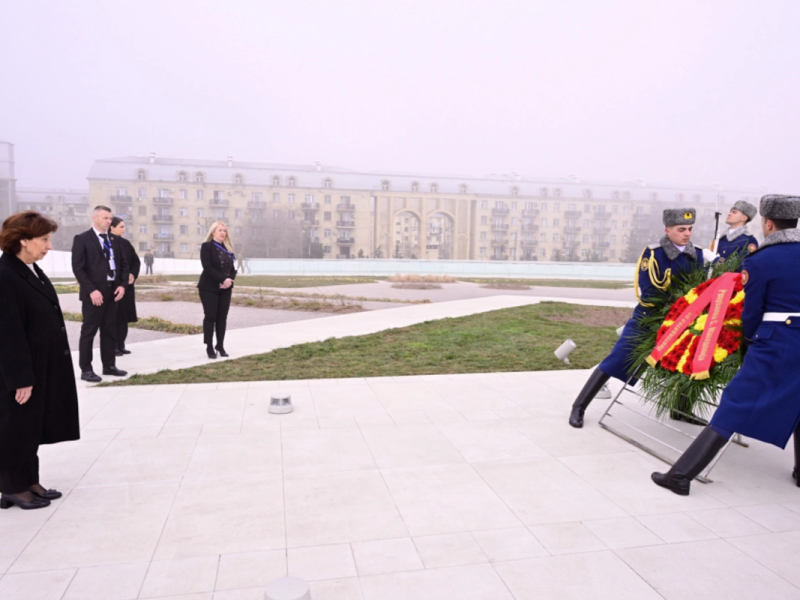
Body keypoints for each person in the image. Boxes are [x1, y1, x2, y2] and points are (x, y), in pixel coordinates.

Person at [652, 194, 800, 495]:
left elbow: (752, 311)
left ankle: (681, 476)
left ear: (768, 223)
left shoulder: (761, 259)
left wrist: (748, 342)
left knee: (734, 404)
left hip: (777, 340)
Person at [569, 208, 705, 428]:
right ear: (668, 230)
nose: (687, 234)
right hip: (649, 318)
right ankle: (579, 406)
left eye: (690, 229)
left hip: (683, 321)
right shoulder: (654, 254)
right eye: (681, 229)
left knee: (689, 360)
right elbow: (649, 292)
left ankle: (681, 409)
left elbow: (699, 289)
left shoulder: (697, 254)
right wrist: (679, 304)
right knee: (617, 359)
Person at [0, 212, 80, 510]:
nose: (49, 246)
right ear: (23, 240)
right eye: (44, 239)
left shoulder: (29, 269)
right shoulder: (5, 275)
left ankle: (29, 481)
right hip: (21, 369)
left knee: (30, 425)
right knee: (14, 426)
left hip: (40, 364)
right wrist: (20, 377)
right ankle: (11, 487)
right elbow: (7, 331)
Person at [71, 206, 130, 382]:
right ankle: (86, 369)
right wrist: (91, 290)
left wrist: (122, 285)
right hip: (94, 294)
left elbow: (124, 265)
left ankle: (109, 366)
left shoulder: (115, 240)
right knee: (89, 331)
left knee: (109, 330)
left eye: (110, 218)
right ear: (94, 218)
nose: (108, 221)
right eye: (105, 218)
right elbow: (78, 268)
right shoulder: (82, 239)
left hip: (113, 292)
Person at [198, 221, 237, 359]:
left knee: (222, 317)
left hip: (225, 288)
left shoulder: (228, 248)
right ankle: (209, 346)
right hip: (208, 287)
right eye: (220, 230)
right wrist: (222, 279)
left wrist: (229, 281)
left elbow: (233, 269)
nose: (222, 233)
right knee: (210, 317)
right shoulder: (206, 246)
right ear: (213, 232)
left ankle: (220, 345)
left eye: (224, 231)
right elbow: (207, 267)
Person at [109, 217, 140, 356]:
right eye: (121, 227)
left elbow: (135, 261)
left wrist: (132, 274)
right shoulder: (107, 242)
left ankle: (121, 344)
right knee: (113, 317)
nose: (124, 229)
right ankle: (113, 346)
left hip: (127, 286)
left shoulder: (126, 243)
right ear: (112, 228)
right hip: (114, 286)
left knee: (124, 317)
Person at [712, 200, 759, 271]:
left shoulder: (748, 240)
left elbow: (741, 266)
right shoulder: (722, 239)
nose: (729, 214)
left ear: (744, 218)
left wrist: (715, 260)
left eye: (734, 212)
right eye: (730, 211)